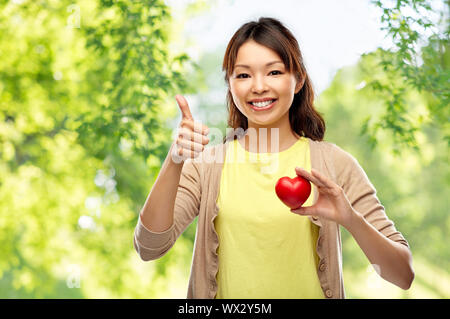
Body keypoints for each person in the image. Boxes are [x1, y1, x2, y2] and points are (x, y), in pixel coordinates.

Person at [133, 17, 414, 299]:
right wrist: (175, 160)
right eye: (243, 75)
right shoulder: (207, 166)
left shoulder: (334, 164)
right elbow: (148, 248)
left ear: (299, 79)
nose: (258, 87)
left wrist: (351, 219)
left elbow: (402, 275)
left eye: (274, 72)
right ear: (230, 84)